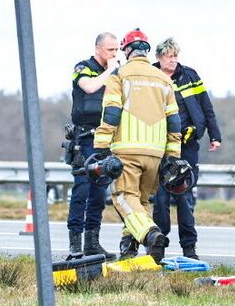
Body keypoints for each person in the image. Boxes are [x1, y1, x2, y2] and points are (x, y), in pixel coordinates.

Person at [93, 28, 182, 261]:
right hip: (155, 153)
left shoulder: (119, 75)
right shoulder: (164, 79)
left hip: (126, 151)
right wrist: (173, 154)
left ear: (127, 50)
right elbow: (174, 120)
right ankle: (129, 249)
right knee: (141, 203)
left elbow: (111, 113)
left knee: (123, 196)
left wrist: (100, 146)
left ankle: (150, 235)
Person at [151, 37, 222, 260]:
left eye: (175, 56)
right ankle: (158, 249)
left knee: (185, 198)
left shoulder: (189, 75)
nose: (173, 60)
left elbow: (205, 105)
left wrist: (214, 135)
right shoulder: (151, 76)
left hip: (187, 145)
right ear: (159, 58)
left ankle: (189, 249)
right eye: (169, 56)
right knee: (160, 199)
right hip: (159, 147)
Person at [67, 32, 120, 259]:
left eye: (117, 50)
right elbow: (89, 87)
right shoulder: (83, 67)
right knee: (82, 190)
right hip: (85, 138)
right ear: (98, 49)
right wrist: (111, 70)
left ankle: (92, 242)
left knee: (99, 193)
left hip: (105, 139)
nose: (114, 54)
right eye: (110, 50)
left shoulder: (116, 72)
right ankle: (75, 244)